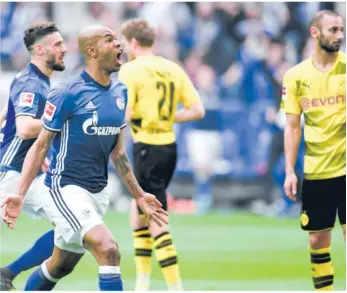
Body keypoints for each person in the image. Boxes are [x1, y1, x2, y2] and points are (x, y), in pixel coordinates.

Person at [1, 25, 168, 291]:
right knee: (108, 248)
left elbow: (119, 152)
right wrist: (20, 193)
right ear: (91, 51)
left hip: (96, 192)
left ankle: (8, 273)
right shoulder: (65, 91)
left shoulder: (119, 93)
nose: (119, 45)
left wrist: (139, 196)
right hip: (63, 187)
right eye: (109, 40)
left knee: (60, 265)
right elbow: (38, 141)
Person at [118, 19, 205, 291]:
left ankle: (174, 285)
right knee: (138, 209)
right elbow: (197, 110)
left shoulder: (130, 71)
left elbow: (126, 113)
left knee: (153, 213)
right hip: (169, 147)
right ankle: (142, 282)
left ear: (133, 42)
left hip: (146, 146)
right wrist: (167, 116)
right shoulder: (172, 68)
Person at [0, 22, 67, 291]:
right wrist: (67, 118)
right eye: (58, 45)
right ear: (40, 50)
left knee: (72, 227)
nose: (64, 49)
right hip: (10, 173)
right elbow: (26, 127)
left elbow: (8, 116)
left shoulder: (37, 81)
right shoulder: (31, 83)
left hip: (31, 173)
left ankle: (7, 273)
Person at [282, 10, 345, 291]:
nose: (340, 36)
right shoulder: (296, 76)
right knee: (317, 241)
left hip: (345, 169)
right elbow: (293, 127)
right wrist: (289, 171)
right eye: (333, 30)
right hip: (316, 171)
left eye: (342, 30)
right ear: (315, 33)